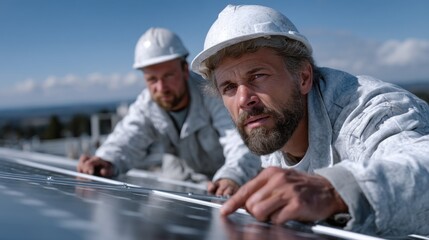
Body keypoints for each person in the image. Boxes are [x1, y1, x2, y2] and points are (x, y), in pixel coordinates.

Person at [191, 4, 429, 237]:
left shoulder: (370, 111)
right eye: (229, 87)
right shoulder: (273, 122)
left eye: (258, 75)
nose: (244, 99)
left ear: (304, 77)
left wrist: (332, 190)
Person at [77, 27, 261, 196]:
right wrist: (106, 160)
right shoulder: (146, 105)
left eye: (168, 76)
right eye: (152, 79)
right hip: (178, 189)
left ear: (184, 70)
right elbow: (127, 138)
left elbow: (240, 142)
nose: (161, 87)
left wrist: (232, 176)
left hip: (224, 190)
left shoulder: (212, 94)